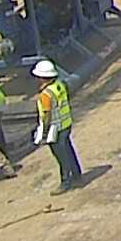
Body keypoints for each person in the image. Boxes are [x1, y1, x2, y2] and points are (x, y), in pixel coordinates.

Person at [32, 59, 81, 193]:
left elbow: (47, 114)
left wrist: (44, 131)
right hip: (66, 123)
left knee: (61, 156)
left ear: (42, 77)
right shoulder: (59, 85)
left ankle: (66, 181)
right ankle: (77, 175)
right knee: (69, 151)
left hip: (55, 128)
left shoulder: (46, 95)